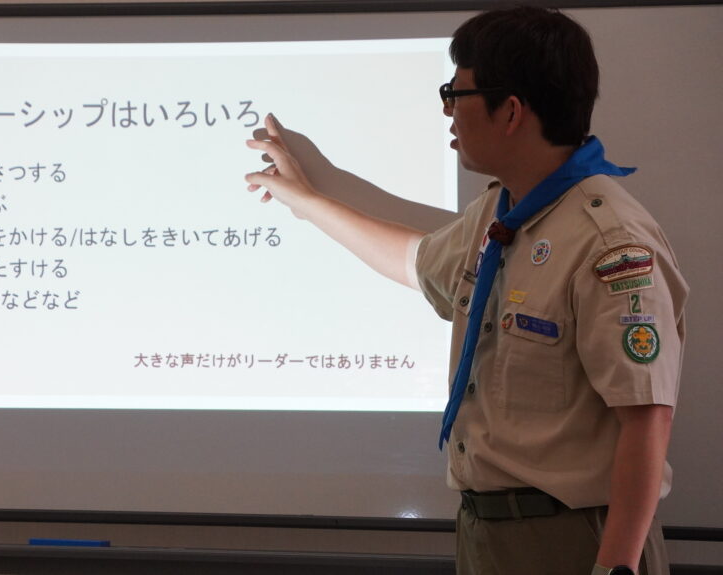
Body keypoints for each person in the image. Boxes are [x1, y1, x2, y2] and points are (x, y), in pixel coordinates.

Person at [244, 6, 686, 575]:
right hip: (486, 532)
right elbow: (414, 261)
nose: (448, 111)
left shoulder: (609, 242)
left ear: (511, 111)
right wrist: (307, 198)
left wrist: (616, 568)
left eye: (456, 94)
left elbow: (646, 419)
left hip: (575, 537)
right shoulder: (500, 212)